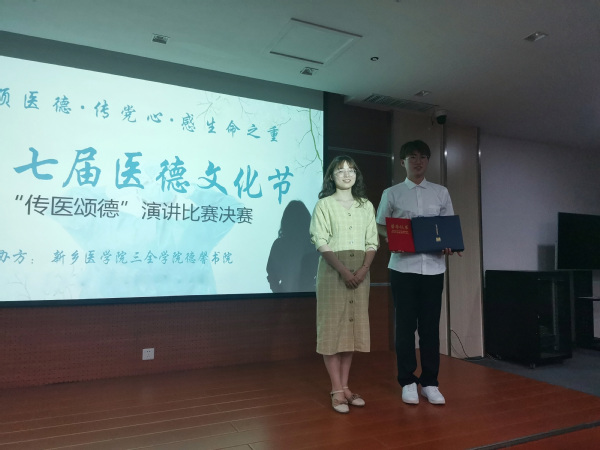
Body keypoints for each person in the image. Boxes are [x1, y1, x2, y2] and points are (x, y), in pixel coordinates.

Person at [376, 140, 461, 406]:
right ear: (403, 162)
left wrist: (449, 244)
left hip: (434, 269)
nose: (418, 161)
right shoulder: (392, 193)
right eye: (412, 157)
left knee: (430, 328)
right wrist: (392, 238)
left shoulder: (440, 192)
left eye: (423, 157)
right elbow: (379, 225)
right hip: (403, 268)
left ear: (428, 161)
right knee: (405, 328)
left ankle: (430, 383)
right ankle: (407, 381)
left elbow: (447, 228)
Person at [309, 156, 379, 414]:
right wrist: (343, 271)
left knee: (351, 329)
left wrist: (363, 269)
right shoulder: (324, 205)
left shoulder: (366, 205)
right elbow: (320, 240)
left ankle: (346, 387)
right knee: (331, 330)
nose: (347, 174)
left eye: (351, 170)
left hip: (361, 272)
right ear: (332, 176)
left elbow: (372, 241)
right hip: (332, 272)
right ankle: (336, 389)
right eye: (340, 171)